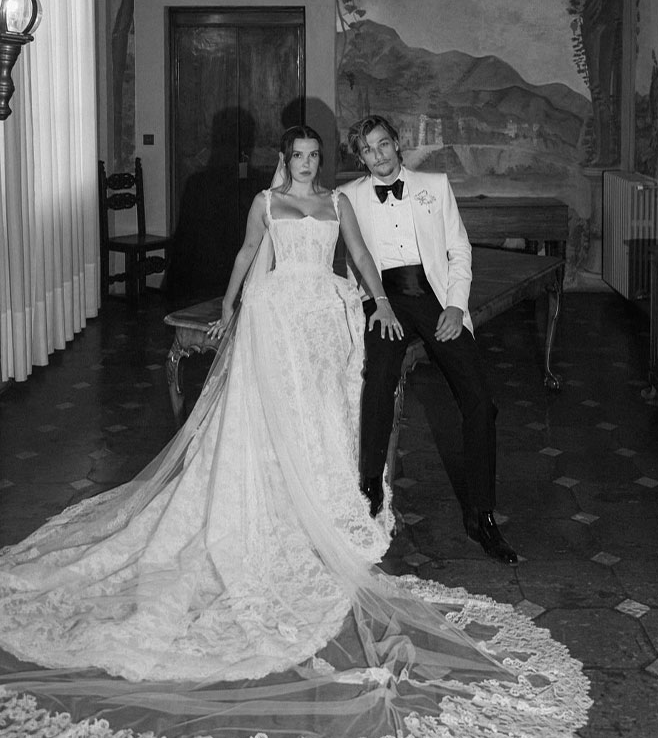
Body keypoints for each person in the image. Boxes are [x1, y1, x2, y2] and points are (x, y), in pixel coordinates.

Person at [0, 126, 590, 737]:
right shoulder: (274, 200)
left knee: (352, 405)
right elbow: (248, 255)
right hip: (282, 313)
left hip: (351, 306)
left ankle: (437, 509)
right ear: (290, 160)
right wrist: (229, 305)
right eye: (300, 157)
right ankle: (325, 492)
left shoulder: (354, 200)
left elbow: (368, 257)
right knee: (303, 406)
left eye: (316, 157)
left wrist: (402, 302)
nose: (309, 165)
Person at [341, 115, 517, 565]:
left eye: (383, 145)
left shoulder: (435, 186)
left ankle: (482, 515)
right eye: (367, 150)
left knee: (479, 399)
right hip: (384, 300)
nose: (377, 156)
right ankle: (369, 494)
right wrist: (370, 303)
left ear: (397, 144)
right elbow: (350, 263)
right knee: (379, 379)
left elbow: (460, 249)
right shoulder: (351, 197)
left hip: (435, 297)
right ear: (359, 157)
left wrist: (456, 307)